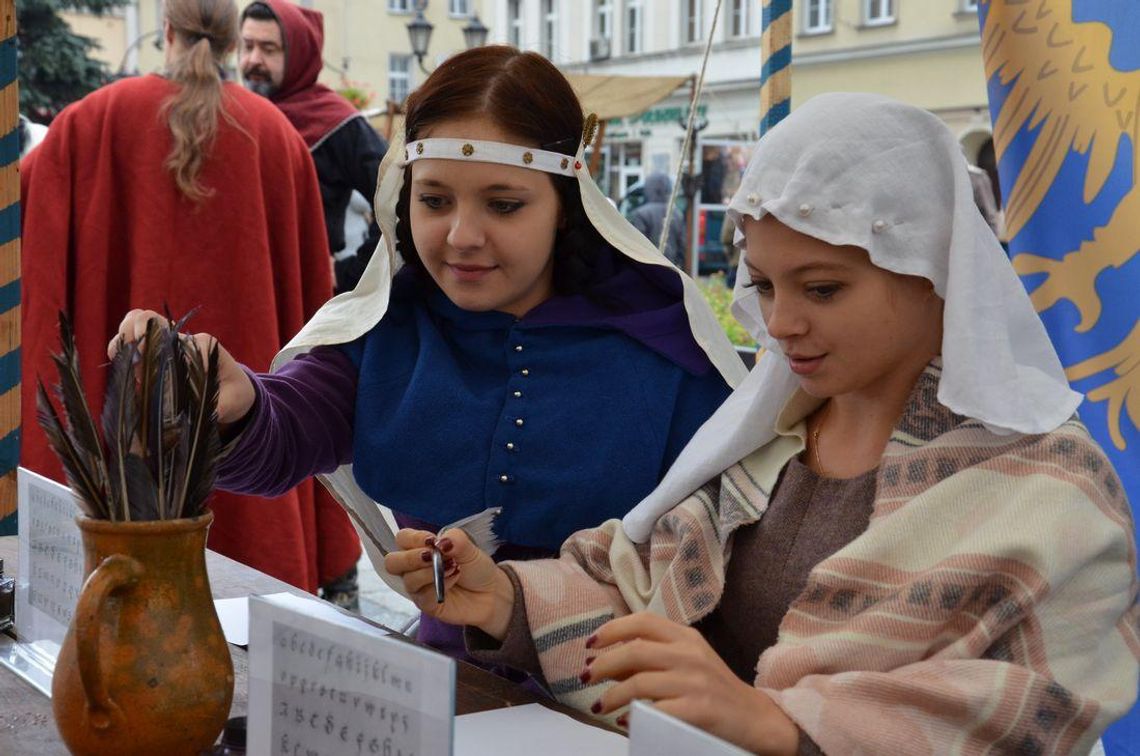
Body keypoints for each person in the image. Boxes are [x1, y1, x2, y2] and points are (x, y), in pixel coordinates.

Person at [384, 93, 1139, 754]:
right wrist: (508, 600)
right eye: (766, 285)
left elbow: (1035, 711)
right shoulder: (769, 439)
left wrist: (778, 724)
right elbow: (639, 589)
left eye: (821, 288)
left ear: (934, 270)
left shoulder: (1050, 484)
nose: (782, 323)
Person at [112, 46, 746, 668]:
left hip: (620, 706)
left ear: (563, 208)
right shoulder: (390, 326)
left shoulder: (666, 348)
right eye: (435, 200)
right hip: (447, 694)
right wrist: (234, 400)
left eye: (504, 204)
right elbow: (286, 432)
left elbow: (722, 574)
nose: (461, 236)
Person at [20, 0, 360, 598]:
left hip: (116, 452)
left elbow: (28, 241)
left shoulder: (89, 121)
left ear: (167, 31)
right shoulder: (278, 138)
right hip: (252, 440)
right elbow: (313, 310)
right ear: (232, 43)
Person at [239, 0, 388, 294]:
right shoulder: (235, 114)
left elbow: (398, 196)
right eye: (247, 46)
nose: (253, 60)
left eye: (269, 49)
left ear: (298, 56)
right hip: (243, 287)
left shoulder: (335, 123)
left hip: (307, 295)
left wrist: (351, 273)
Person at [628, 171, 686, 268]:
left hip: (648, 270)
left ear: (649, 188)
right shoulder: (677, 214)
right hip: (671, 268)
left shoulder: (641, 214)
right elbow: (682, 246)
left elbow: (637, 246)